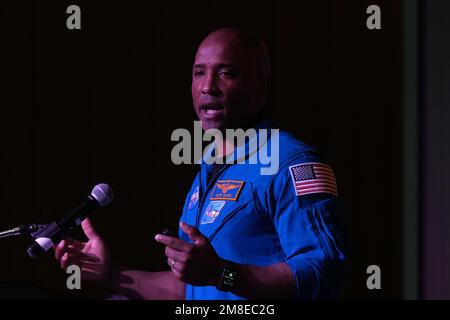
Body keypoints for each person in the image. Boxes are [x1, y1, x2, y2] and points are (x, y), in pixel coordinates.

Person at [54, 28, 347, 300]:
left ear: (260, 86)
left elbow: (324, 274)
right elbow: (190, 289)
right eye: (198, 73)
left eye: (226, 73)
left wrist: (222, 274)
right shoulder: (209, 168)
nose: (208, 86)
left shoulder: (290, 162)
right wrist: (111, 274)